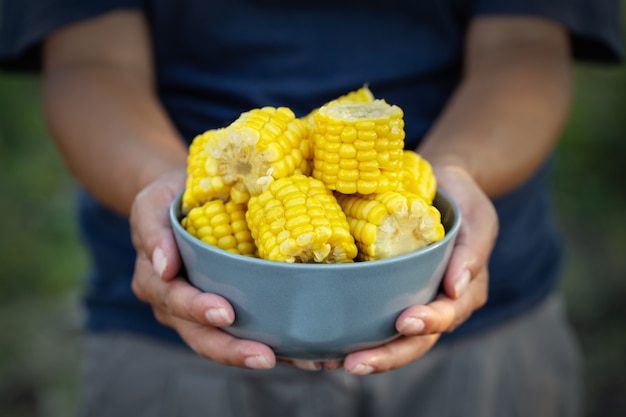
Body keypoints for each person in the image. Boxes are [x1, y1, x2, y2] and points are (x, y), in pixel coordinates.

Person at [0, 1, 622, 416]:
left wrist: (454, 173)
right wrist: (164, 184)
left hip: (477, 326)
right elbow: (88, 58)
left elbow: (526, 43)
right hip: (180, 325)